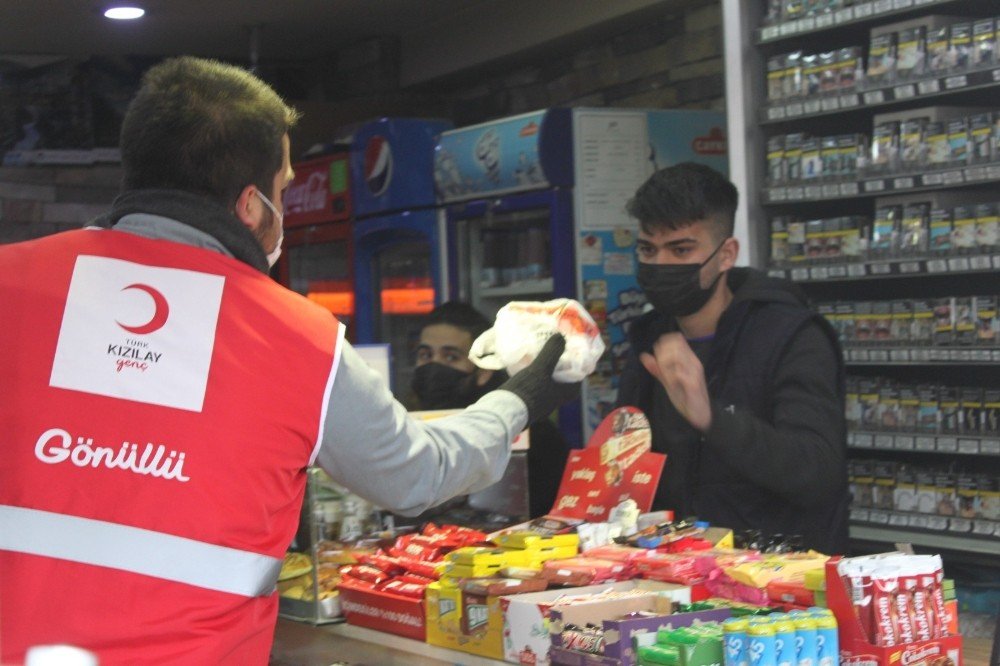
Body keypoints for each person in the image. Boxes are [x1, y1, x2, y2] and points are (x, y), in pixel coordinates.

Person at [0, 56, 578, 665]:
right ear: (252, 206)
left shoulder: (11, 282)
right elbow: (416, 475)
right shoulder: (299, 340)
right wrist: (519, 399)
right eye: (283, 188)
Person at [616, 162, 849, 554]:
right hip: (673, 570)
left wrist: (712, 418)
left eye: (681, 250)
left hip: (777, 579)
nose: (661, 265)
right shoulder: (647, 339)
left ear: (726, 255)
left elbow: (817, 471)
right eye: (648, 250)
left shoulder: (791, 336)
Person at [409, 301, 571, 518]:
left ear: (483, 370)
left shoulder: (531, 433)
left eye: (450, 357)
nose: (434, 366)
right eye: (426, 355)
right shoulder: (405, 425)